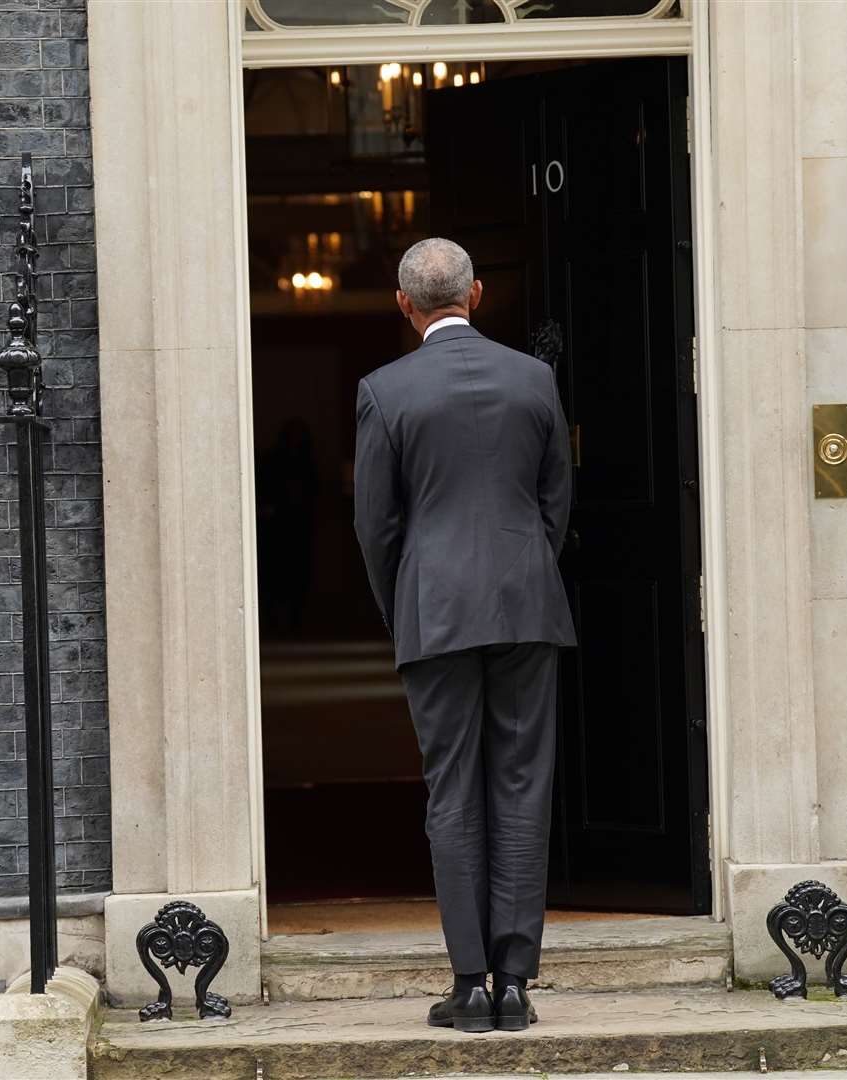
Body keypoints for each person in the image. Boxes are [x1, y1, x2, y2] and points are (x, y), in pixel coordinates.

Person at [352, 237, 576, 1033]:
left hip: (436, 612)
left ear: (404, 305)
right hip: (527, 605)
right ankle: (517, 984)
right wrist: (522, 574)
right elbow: (557, 503)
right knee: (523, 785)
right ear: (476, 294)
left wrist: (407, 603)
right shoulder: (535, 379)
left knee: (452, 792)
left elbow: (375, 528)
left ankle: (470, 985)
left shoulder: (384, 391)